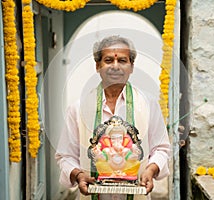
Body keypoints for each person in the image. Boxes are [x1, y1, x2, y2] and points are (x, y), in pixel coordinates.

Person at [55, 35, 171, 200]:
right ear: (98, 66)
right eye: (108, 60)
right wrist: (79, 174)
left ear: (131, 67)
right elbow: (66, 155)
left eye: (122, 61)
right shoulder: (78, 108)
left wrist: (151, 169)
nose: (115, 66)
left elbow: (161, 149)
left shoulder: (148, 104)